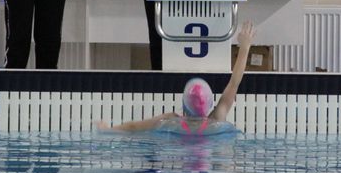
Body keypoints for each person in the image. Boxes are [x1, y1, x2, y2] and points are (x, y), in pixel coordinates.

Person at [97, 21, 256, 133]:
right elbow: (234, 83)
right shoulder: (217, 119)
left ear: (184, 103)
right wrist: (245, 47)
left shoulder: (171, 121)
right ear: (209, 103)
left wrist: (108, 130)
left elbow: (134, 128)